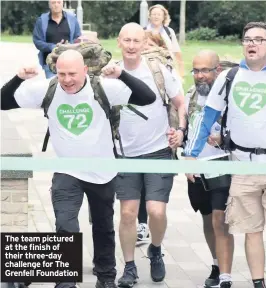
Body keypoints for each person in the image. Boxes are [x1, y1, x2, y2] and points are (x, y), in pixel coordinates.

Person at [1, 49, 156, 288]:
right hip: (67, 171)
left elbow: (148, 98)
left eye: (72, 73)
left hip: (102, 172)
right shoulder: (48, 89)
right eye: (61, 73)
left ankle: (105, 278)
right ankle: (65, 282)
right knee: (66, 225)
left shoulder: (103, 88)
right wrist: (18, 78)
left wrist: (122, 74)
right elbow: (3, 102)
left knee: (103, 227)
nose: (67, 80)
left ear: (85, 70)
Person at [184, 22, 266, 288]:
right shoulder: (229, 78)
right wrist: (191, 154)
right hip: (242, 166)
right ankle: (258, 283)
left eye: (258, 40)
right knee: (251, 231)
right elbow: (208, 117)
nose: (251, 44)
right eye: (247, 39)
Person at [114, 23, 186, 288]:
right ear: (119, 42)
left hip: (158, 151)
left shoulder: (158, 70)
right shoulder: (110, 72)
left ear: (144, 43)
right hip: (124, 154)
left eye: (137, 40)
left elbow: (180, 103)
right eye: (127, 40)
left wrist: (180, 130)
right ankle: (130, 267)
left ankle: (155, 249)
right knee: (127, 214)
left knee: (155, 211)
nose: (132, 46)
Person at [184, 50, 235, 288]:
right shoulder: (191, 95)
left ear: (217, 71)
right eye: (196, 71)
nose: (200, 76)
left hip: (222, 164)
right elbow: (185, 128)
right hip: (197, 167)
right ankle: (216, 265)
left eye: (206, 70)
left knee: (219, 219)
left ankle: (226, 275)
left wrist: (224, 139)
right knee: (207, 218)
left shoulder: (229, 97)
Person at [33, 0, 81, 79]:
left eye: (59, 2)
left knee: (68, 89)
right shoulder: (41, 20)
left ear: (63, 3)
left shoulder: (72, 19)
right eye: (53, 2)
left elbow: (78, 38)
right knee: (53, 88)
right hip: (50, 64)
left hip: (70, 63)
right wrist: (53, 47)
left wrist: (68, 46)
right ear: (49, 4)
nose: (56, 5)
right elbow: (37, 41)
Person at [145, 4, 184, 79]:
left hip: (167, 67)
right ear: (149, 16)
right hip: (148, 68)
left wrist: (181, 73)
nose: (156, 16)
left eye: (159, 14)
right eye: (154, 14)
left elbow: (177, 52)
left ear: (163, 17)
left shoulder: (169, 32)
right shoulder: (143, 31)